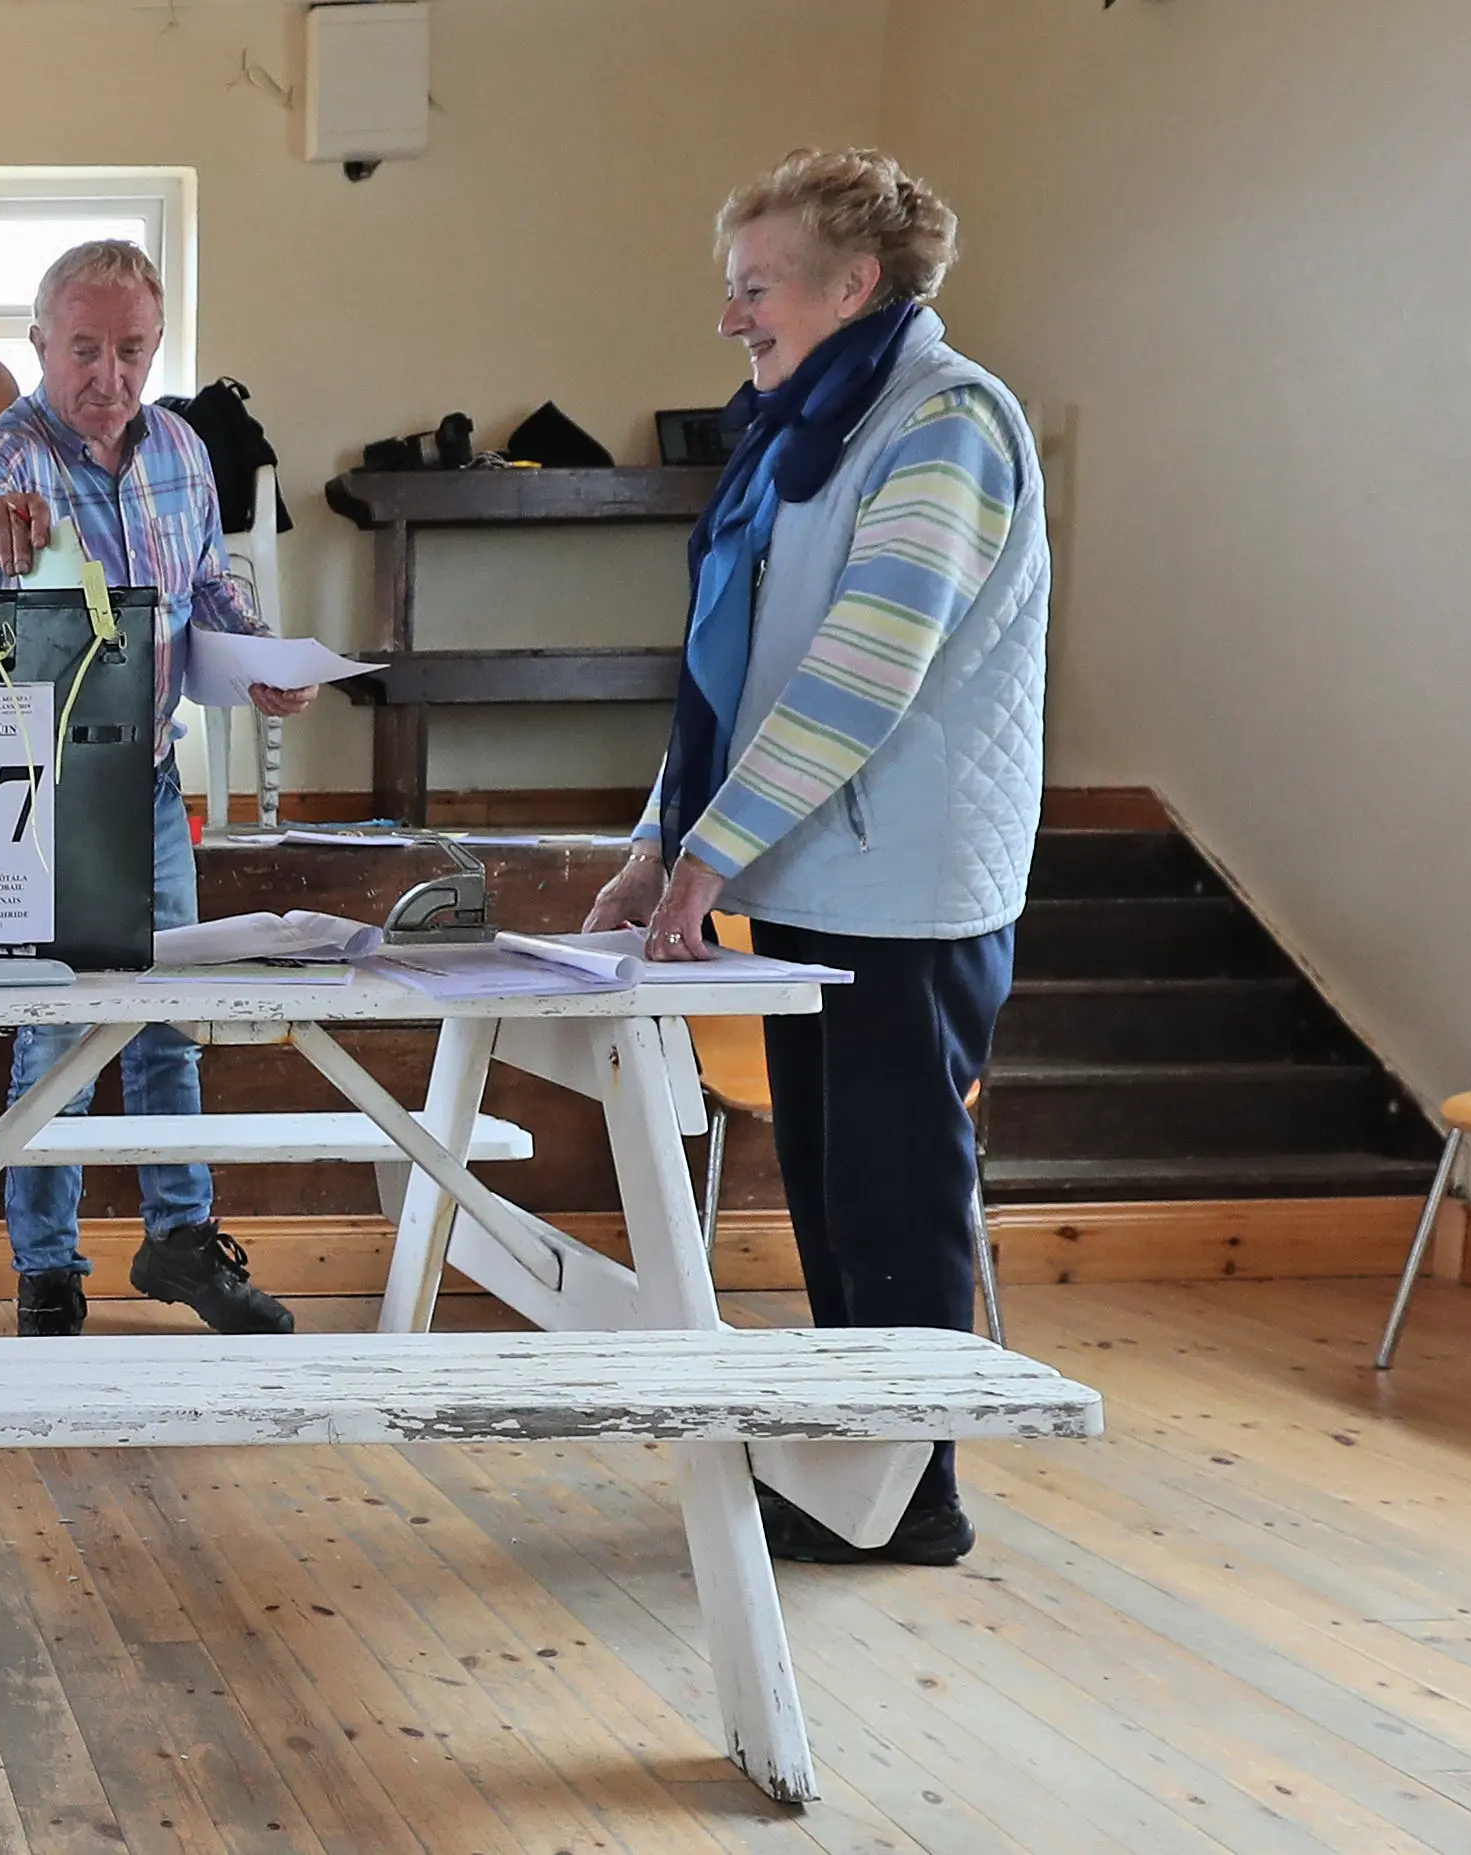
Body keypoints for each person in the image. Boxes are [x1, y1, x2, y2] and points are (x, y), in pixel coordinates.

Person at [585, 150, 1049, 1564]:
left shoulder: (942, 423)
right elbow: (738, 670)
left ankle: (913, 1495)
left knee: (898, 1197)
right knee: (835, 1195)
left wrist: (703, 857)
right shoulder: (804, 434)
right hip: (808, 874)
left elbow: (859, 673)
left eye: (753, 287)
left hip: (903, 890)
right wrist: (655, 838)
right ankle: (865, 1478)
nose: (730, 317)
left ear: (851, 286)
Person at [0, 239, 317, 1340]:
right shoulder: (11, 452)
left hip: (147, 776)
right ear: (41, 344)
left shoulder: (183, 449)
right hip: (41, 789)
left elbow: (205, 586)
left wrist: (259, 656)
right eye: (84, 348)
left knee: (169, 1021)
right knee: (59, 1034)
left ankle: (181, 1242)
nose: (109, 373)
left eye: (131, 348)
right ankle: (48, 1269)